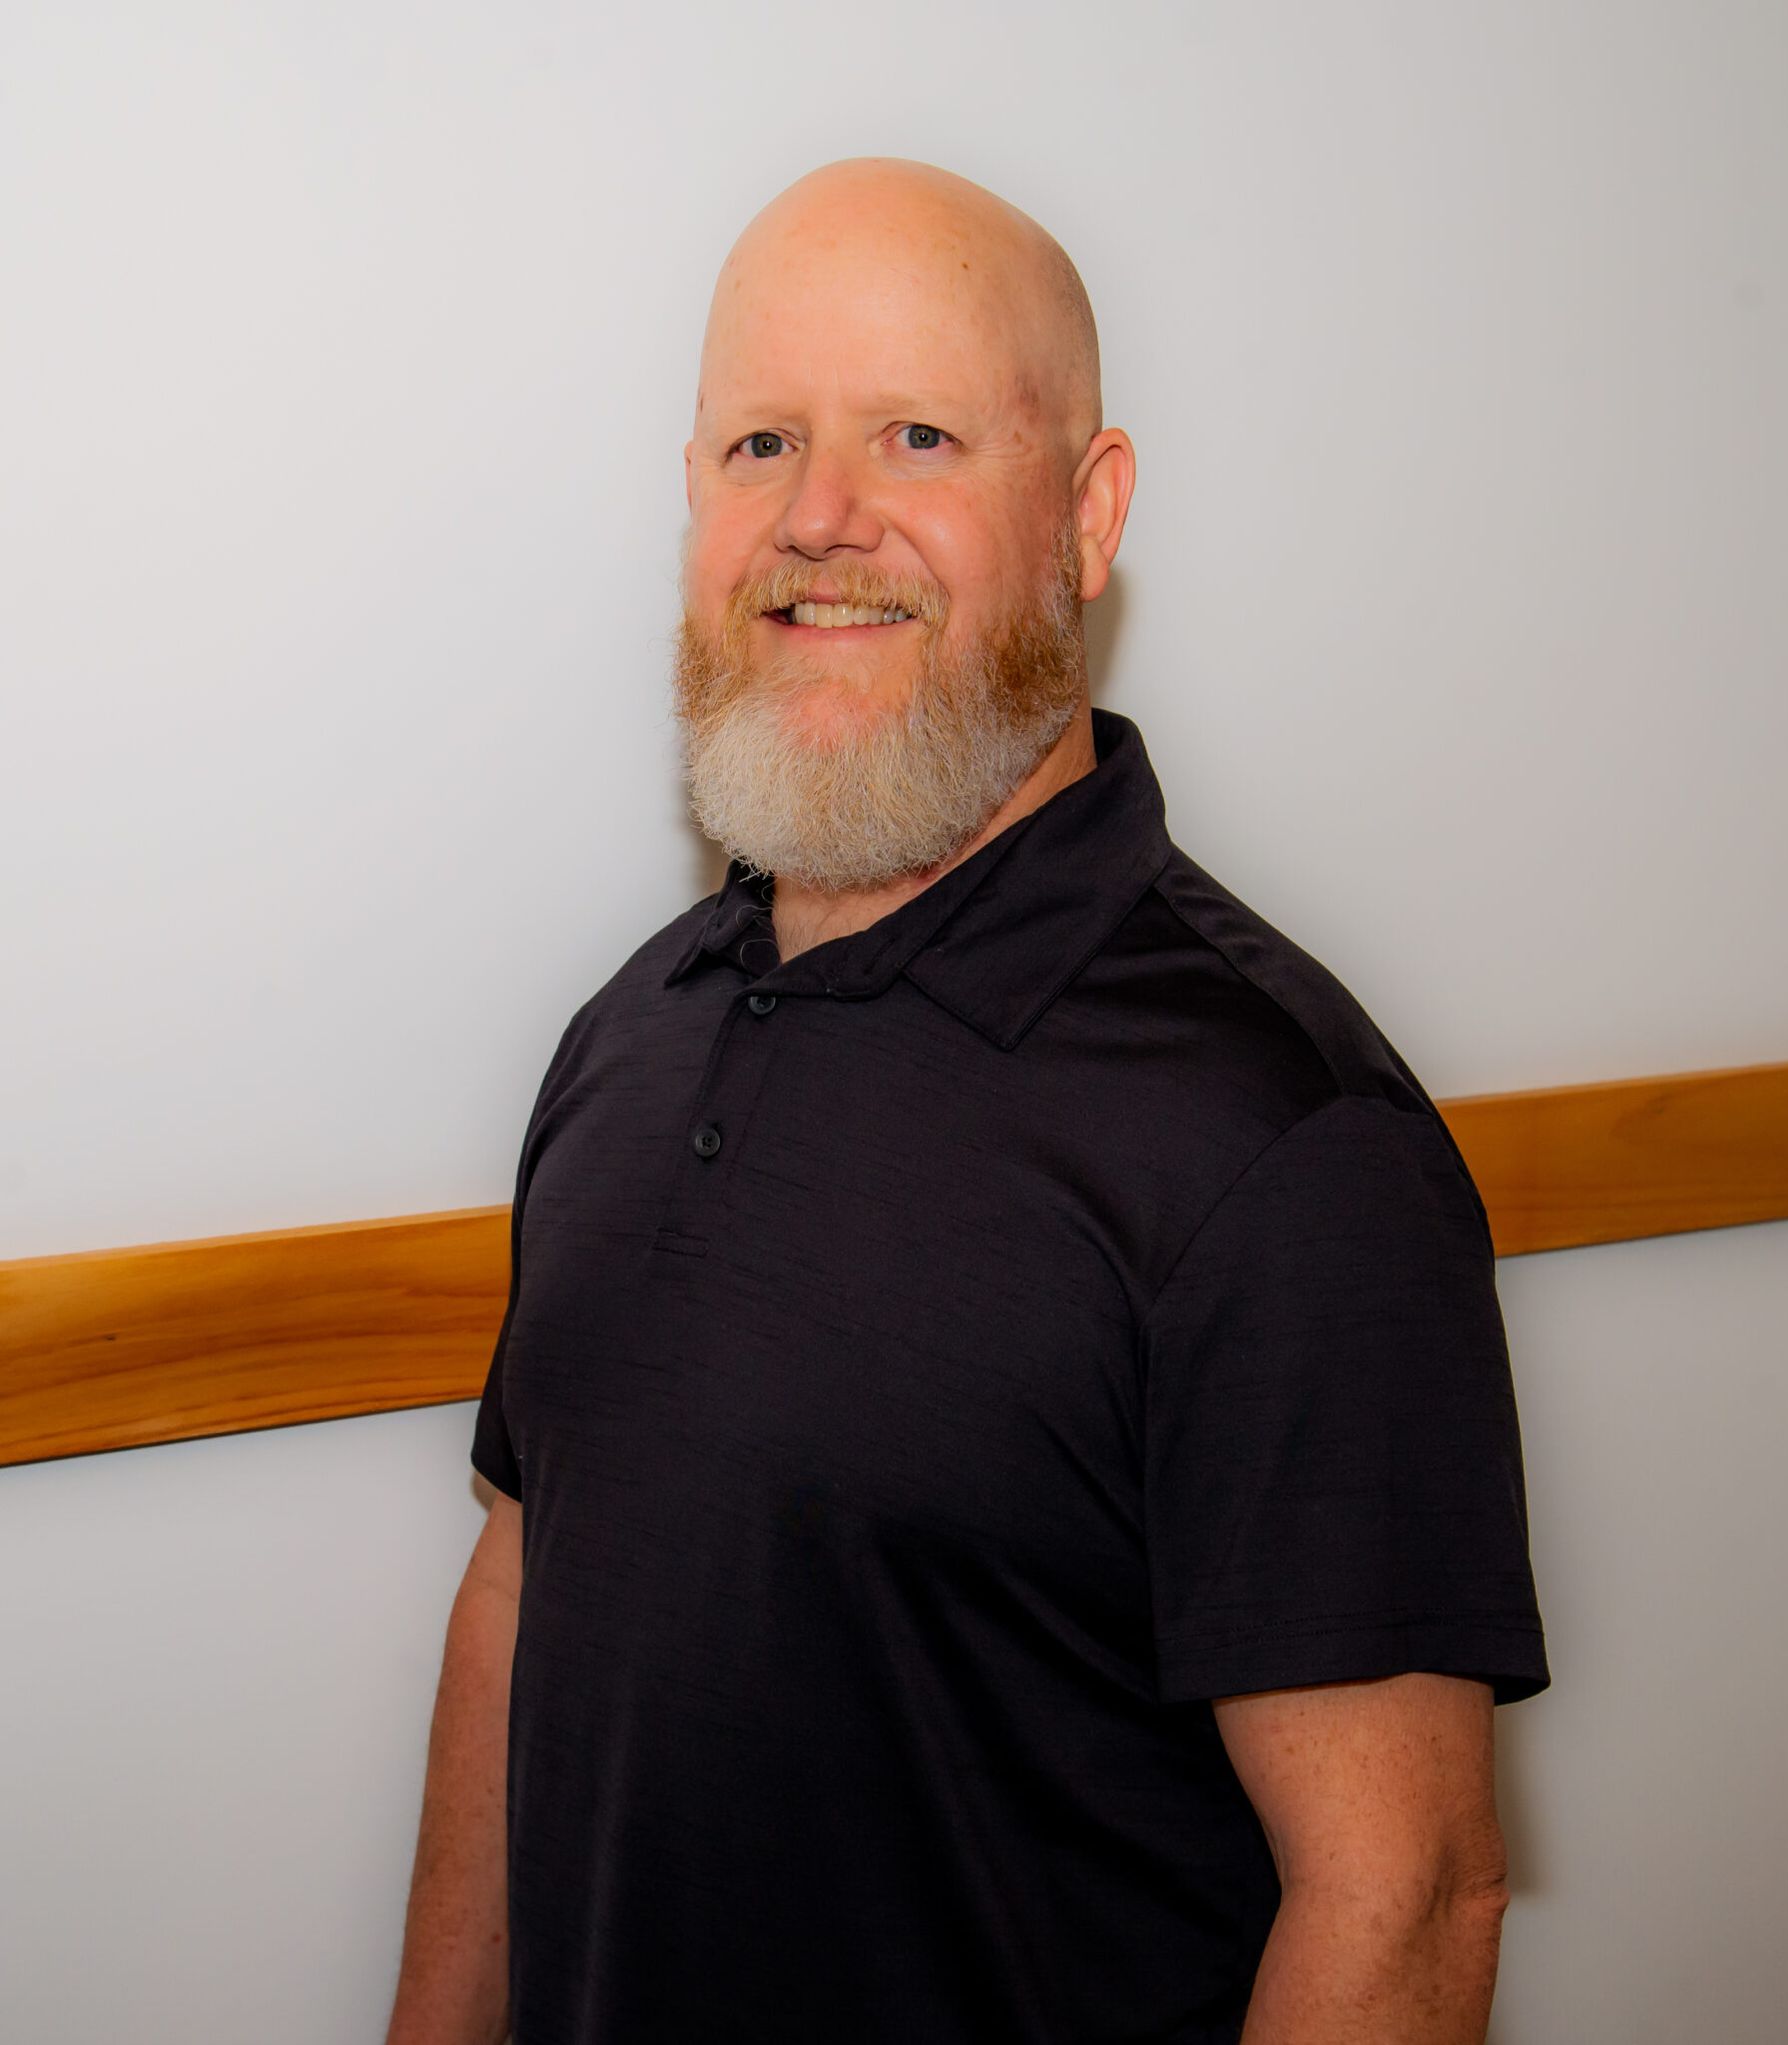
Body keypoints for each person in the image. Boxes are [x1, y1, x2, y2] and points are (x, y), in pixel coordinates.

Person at [385, 155, 1548, 2045]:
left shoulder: (1284, 1145)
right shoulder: (631, 1034)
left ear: (1087, 518)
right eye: (759, 444)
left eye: (915, 435)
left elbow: (1403, 1898)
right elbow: (524, 1595)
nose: (820, 518)